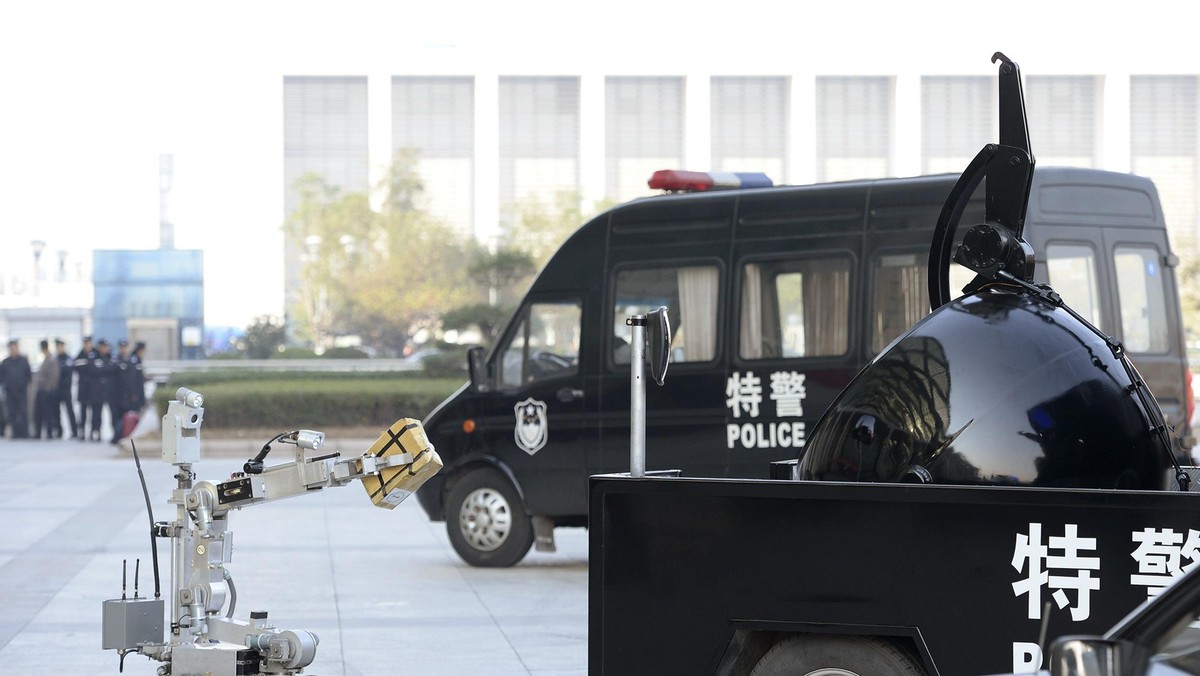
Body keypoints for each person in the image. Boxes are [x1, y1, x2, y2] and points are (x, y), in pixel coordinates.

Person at [114, 341, 147, 443]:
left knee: (130, 417)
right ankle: (119, 436)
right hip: (123, 395)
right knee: (123, 417)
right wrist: (133, 394)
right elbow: (130, 380)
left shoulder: (133, 360)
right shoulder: (119, 360)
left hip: (132, 395)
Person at [84, 339, 116, 442]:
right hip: (96, 391)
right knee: (96, 414)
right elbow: (91, 369)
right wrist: (106, 368)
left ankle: (115, 433)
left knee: (113, 413)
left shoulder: (111, 357)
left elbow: (113, 368)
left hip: (109, 391)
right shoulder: (93, 357)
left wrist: (103, 368)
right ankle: (95, 432)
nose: (105, 349)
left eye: (106, 347)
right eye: (103, 347)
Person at [0, 340, 32, 439]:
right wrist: (7, 385)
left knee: (22, 412)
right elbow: (1, 376)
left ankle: (24, 432)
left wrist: (23, 384)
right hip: (10, 392)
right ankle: (15, 433)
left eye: (14, 348)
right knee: (12, 412)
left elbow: (28, 375)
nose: (13, 350)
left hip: (21, 391)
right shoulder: (5, 362)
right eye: (11, 348)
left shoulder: (23, 361)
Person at [33, 340, 61, 439]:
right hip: (41, 390)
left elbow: (54, 376)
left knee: (48, 413)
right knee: (39, 413)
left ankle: (49, 433)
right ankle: (38, 432)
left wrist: (49, 387)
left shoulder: (51, 360)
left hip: (47, 390)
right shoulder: (45, 359)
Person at [74, 336, 96, 440]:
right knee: (83, 412)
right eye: (85, 343)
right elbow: (77, 368)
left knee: (94, 412)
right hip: (83, 388)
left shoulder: (96, 353)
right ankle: (82, 431)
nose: (87, 345)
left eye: (88, 343)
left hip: (93, 389)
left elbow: (98, 369)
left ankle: (93, 432)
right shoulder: (80, 355)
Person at [54, 339, 78, 439]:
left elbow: (68, 370)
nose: (60, 348)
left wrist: (61, 370)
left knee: (69, 410)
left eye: (61, 346)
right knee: (56, 411)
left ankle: (74, 431)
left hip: (66, 389)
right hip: (57, 388)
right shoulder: (55, 359)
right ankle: (59, 431)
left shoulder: (68, 358)